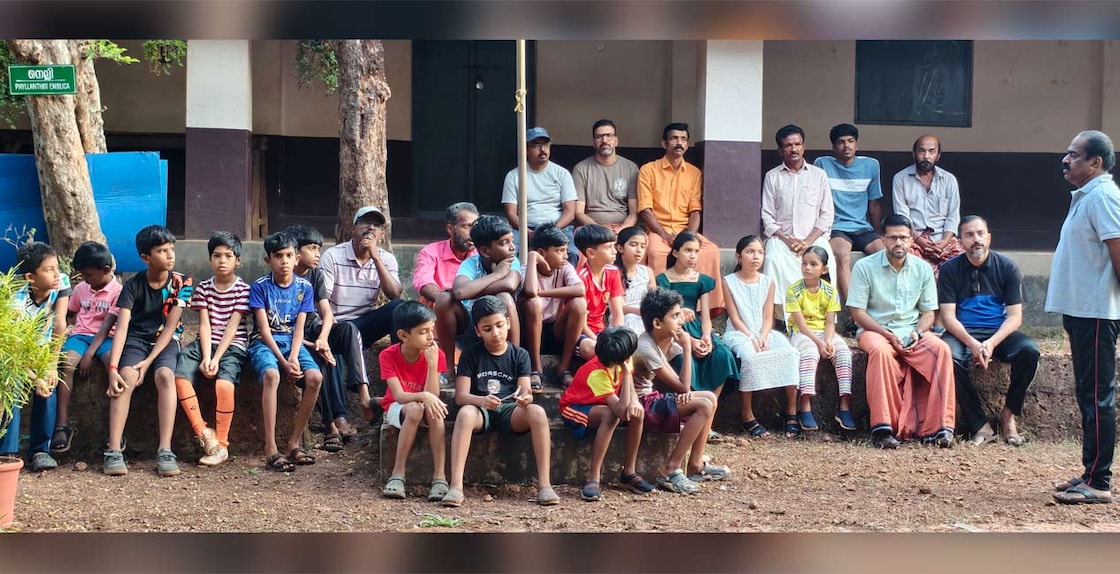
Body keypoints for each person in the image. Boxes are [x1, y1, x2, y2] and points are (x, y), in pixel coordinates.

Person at [1047, 130, 1120, 505]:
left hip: (1097, 312)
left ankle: (1099, 482)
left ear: (1096, 163)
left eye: (1074, 155)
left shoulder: (1104, 197)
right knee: (1088, 394)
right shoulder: (1086, 196)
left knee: (1098, 396)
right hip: (1081, 311)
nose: (1065, 160)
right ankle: (1091, 472)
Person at [847, 214, 956, 449]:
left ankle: (940, 428)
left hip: (911, 332)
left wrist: (917, 333)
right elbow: (857, 313)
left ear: (911, 240)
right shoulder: (864, 267)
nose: (899, 243)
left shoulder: (922, 268)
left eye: (904, 238)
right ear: (883, 239)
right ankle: (883, 429)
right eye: (893, 237)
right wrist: (886, 334)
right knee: (880, 353)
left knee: (941, 351)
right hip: (875, 330)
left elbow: (928, 313)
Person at [441, 295, 558, 507]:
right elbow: (461, 396)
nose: (495, 333)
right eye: (487, 329)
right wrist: (482, 401)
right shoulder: (470, 354)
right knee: (465, 413)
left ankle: (545, 485)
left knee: (538, 413)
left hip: (510, 410)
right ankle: (456, 486)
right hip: (481, 410)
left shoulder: (520, 355)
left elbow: (526, 391)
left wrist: (525, 399)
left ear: (508, 323)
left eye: (499, 325)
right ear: (478, 331)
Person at [939, 215, 1040, 448]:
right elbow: (948, 318)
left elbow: (1015, 317)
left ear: (989, 237)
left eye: (980, 234)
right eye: (969, 235)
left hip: (998, 332)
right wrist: (973, 344)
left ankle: (1008, 415)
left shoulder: (1007, 267)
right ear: (960, 241)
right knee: (947, 355)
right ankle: (980, 425)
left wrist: (991, 343)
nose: (976, 239)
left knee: (1029, 351)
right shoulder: (949, 270)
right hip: (962, 332)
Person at [104, 225, 193, 477]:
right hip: (136, 340)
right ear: (146, 257)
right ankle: (113, 450)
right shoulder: (132, 285)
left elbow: (171, 327)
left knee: (164, 375)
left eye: (171, 249)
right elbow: (122, 328)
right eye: (162, 251)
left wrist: (149, 362)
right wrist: (113, 368)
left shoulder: (182, 282)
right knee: (126, 377)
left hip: (166, 340)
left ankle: (165, 450)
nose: (170, 255)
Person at [631, 288, 728, 493]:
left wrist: (684, 345)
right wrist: (686, 346)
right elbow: (683, 387)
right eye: (674, 316)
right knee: (703, 404)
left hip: (650, 399)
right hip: (639, 405)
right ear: (657, 323)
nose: (680, 321)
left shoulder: (662, 340)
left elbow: (685, 387)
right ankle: (670, 469)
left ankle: (695, 464)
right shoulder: (645, 347)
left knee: (710, 397)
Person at [172, 231, 251, 467]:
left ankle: (222, 444)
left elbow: (232, 328)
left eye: (228, 256)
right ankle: (204, 432)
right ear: (209, 259)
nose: (222, 260)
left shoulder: (243, 289)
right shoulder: (204, 288)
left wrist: (216, 359)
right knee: (180, 374)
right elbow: (204, 325)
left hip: (232, 345)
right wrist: (206, 356)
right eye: (217, 255)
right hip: (205, 343)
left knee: (224, 384)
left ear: (238, 260)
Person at [248, 231, 323, 472]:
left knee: (315, 378)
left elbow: (299, 327)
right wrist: (283, 361)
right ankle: (270, 447)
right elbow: (263, 330)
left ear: (297, 258)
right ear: (268, 259)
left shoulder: (305, 287)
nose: (284, 261)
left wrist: (293, 356)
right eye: (278, 256)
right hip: (265, 342)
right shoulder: (260, 287)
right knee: (272, 375)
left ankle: (293, 443)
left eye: (289, 255)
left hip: (292, 343)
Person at [287, 224, 364, 448]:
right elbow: (282, 328)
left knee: (348, 329)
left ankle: (362, 393)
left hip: (313, 330)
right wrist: (315, 345)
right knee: (321, 361)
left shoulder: (316, 275)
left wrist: (322, 339)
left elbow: (327, 314)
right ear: (296, 252)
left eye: (318, 248)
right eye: (312, 248)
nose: (318, 254)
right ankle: (330, 424)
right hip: (293, 337)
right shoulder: (283, 277)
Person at [637, 122, 724, 312]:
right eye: (674, 138)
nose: (679, 143)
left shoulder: (694, 173)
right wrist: (664, 235)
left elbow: (695, 211)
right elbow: (645, 210)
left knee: (711, 251)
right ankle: (662, 307)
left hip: (684, 230)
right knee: (656, 253)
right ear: (664, 143)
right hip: (658, 231)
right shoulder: (648, 170)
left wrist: (688, 236)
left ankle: (705, 309)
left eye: (683, 139)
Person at [721, 235, 800, 438]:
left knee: (790, 353)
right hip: (739, 333)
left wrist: (763, 336)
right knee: (749, 357)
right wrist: (751, 337)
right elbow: (734, 317)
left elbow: (767, 317)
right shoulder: (728, 281)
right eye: (750, 252)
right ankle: (746, 413)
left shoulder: (768, 282)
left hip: (764, 332)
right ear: (739, 257)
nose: (756, 257)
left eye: (760, 252)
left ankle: (791, 410)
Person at [0, 242, 70, 472]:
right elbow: (13, 349)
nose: (56, 274)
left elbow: (59, 325)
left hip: (43, 351)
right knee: (13, 384)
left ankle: (41, 449)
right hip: (16, 353)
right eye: (49, 270)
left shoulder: (62, 283)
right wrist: (34, 377)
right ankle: (7, 452)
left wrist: (50, 366)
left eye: (56, 267)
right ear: (30, 277)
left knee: (49, 385)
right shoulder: (15, 299)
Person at [558, 325, 648, 501]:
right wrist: (627, 376)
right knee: (610, 415)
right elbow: (620, 412)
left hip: (600, 403)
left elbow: (628, 392)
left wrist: (634, 401)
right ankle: (593, 477)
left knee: (638, 413)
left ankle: (628, 472)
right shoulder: (596, 373)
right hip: (574, 408)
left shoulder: (624, 361)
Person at [52, 241, 119, 455]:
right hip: (80, 335)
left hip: (107, 338)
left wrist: (90, 354)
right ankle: (62, 424)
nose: (85, 279)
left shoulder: (118, 291)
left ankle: (115, 430)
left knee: (113, 366)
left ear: (105, 270)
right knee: (66, 364)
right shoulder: (82, 288)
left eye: (88, 274)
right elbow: (70, 313)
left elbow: (108, 327)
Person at [435, 215, 523, 378]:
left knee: (504, 297)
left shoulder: (512, 261)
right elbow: (460, 293)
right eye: (504, 243)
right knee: (444, 299)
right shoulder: (471, 263)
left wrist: (471, 290)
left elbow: (510, 285)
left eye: (512, 241)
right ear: (484, 251)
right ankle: (448, 368)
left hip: (502, 329)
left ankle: (512, 365)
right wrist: (497, 274)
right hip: (471, 328)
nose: (512, 247)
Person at [761, 124, 835, 318]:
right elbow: (767, 215)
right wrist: (787, 240)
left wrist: (808, 241)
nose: (793, 149)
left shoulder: (819, 175)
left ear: (803, 147)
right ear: (780, 150)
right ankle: (780, 318)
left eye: (797, 144)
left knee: (826, 257)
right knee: (772, 260)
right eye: (788, 145)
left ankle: (822, 316)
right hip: (782, 239)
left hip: (813, 238)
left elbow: (827, 214)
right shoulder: (772, 177)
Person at [656, 231, 739, 402]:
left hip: (698, 328)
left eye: (696, 251)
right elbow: (666, 318)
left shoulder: (701, 280)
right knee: (683, 361)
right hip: (675, 330)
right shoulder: (663, 280)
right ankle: (691, 406)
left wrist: (707, 336)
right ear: (675, 252)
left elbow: (706, 317)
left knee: (723, 355)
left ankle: (711, 408)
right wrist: (691, 342)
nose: (693, 256)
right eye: (688, 250)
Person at [378, 301, 449, 501]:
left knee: (435, 412)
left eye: (432, 330)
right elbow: (399, 396)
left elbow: (432, 395)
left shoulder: (436, 354)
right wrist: (423, 396)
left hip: (424, 404)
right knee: (415, 409)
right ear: (403, 335)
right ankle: (398, 474)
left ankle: (440, 477)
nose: (431, 336)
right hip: (397, 407)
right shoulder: (388, 355)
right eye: (423, 332)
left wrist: (432, 364)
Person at [785, 246, 855, 432]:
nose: (807, 268)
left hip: (825, 332)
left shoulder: (830, 291)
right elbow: (800, 324)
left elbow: (830, 322)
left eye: (813, 264)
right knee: (809, 353)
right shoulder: (794, 290)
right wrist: (819, 343)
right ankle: (805, 404)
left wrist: (829, 341)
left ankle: (844, 405)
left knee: (843, 353)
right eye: (804, 263)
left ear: (824, 269)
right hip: (802, 332)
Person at [814, 123, 885, 304]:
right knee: (842, 255)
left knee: (884, 253)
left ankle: (881, 307)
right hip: (836, 228)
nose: (846, 146)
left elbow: (874, 204)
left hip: (862, 228)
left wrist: (878, 233)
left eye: (851, 141)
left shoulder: (871, 165)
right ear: (833, 147)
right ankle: (853, 310)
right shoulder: (822, 164)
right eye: (841, 142)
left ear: (857, 144)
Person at [319, 205, 405, 350]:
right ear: (353, 228)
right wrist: (331, 328)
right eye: (365, 222)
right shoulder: (332, 256)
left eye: (377, 225)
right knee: (346, 328)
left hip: (365, 324)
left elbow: (394, 294)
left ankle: (398, 359)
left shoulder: (386, 259)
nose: (371, 227)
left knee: (399, 307)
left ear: (381, 234)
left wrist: (375, 258)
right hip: (338, 325)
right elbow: (322, 300)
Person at [520, 223, 589, 392]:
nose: (565, 256)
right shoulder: (527, 270)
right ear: (542, 253)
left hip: (555, 329)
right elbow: (530, 291)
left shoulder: (564, 267)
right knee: (533, 303)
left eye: (566, 250)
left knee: (579, 303)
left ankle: (563, 368)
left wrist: (542, 293)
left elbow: (580, 289)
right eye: (559, 251)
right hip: (529, 332)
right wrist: (532, 258)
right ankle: (536, 368)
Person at [501, 127, 579, 264]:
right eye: (536, 145)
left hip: (557, 226)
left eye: (545, 144)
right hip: (525, 228)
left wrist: (553, 230)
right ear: (526, 150)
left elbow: (570, 211)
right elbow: (511, 213)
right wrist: (528, 232)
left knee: (571, 252)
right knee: (509, 252)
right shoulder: (514, 175)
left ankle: (564, 279)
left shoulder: (562, 173)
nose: (542, 149)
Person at [892, 134, 963, 278]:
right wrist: (920, 241)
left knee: (961, 265)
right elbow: (902, 218)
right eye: (921, 151)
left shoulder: (949, 180)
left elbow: (953, 216)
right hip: (914, 239)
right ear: (914, 154)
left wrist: (944, 241)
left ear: (938, 155)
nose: (926, 156)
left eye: (931, 151)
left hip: (943, 238)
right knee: (911, 266)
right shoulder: (900, 179)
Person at [573, 224, 626, 385]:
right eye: (609, 247)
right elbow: (581, 323)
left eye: (614, 246)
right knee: (592, 349)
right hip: (582, 332)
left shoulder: (613, 272)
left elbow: (617, 313)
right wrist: (600, 341)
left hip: (602, 330)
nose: (614, 251)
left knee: (627, 348)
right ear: (591, 253)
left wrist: (616, 337)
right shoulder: (580, 278)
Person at [572, 119, 639, 233]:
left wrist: (622, 230)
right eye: (599, 137)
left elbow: (634, 213)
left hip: (622, 227)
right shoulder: (581, 169)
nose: (604, 140)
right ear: (594, 143)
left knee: (640, 239)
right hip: (592, 228)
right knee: (578, 233)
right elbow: (579, 212)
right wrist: (600, 230)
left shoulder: (631, 168)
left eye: (609, 136)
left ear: (616, 141)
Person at [413, 202, 479, 307]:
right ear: (450, 229)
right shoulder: (431, 252)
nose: (473, 232)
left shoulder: (481, 253)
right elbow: (423, 282)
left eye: (475, 226)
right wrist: (446, 300)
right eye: (466, 226)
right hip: (439, 309)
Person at [614, 226, 654, 335]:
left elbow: (654, 299)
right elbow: (619, 308)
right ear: (620, 248)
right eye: (633, 245)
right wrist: (641, 312)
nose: (639, 250)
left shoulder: (647, 272)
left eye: (642, 246)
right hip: (623, 317)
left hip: (645, 315)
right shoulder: (613, 273)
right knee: (631, 318)